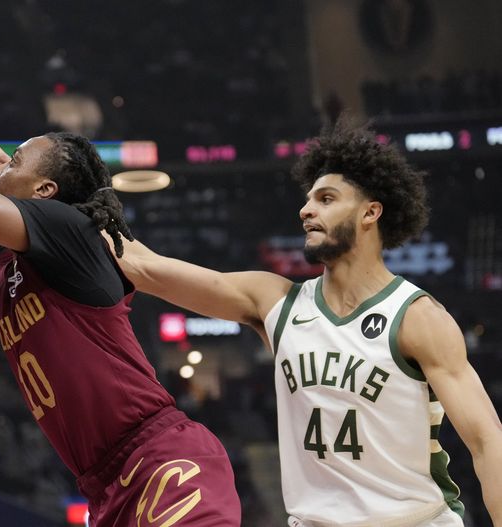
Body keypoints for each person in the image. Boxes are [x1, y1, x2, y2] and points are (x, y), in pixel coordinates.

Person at [0, 18, 242, 525]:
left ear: (46, 194)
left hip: (163, 459)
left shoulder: (68, 229)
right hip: (103, 486)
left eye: (16, 160)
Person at [91, 120, 500, 526]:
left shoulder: (415, 316)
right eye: (308, 200)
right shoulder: (275, 302)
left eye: (326, 198)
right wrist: (82, 214)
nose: (306, 209)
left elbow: (486, 441)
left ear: (370, 212)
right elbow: (148, 269)